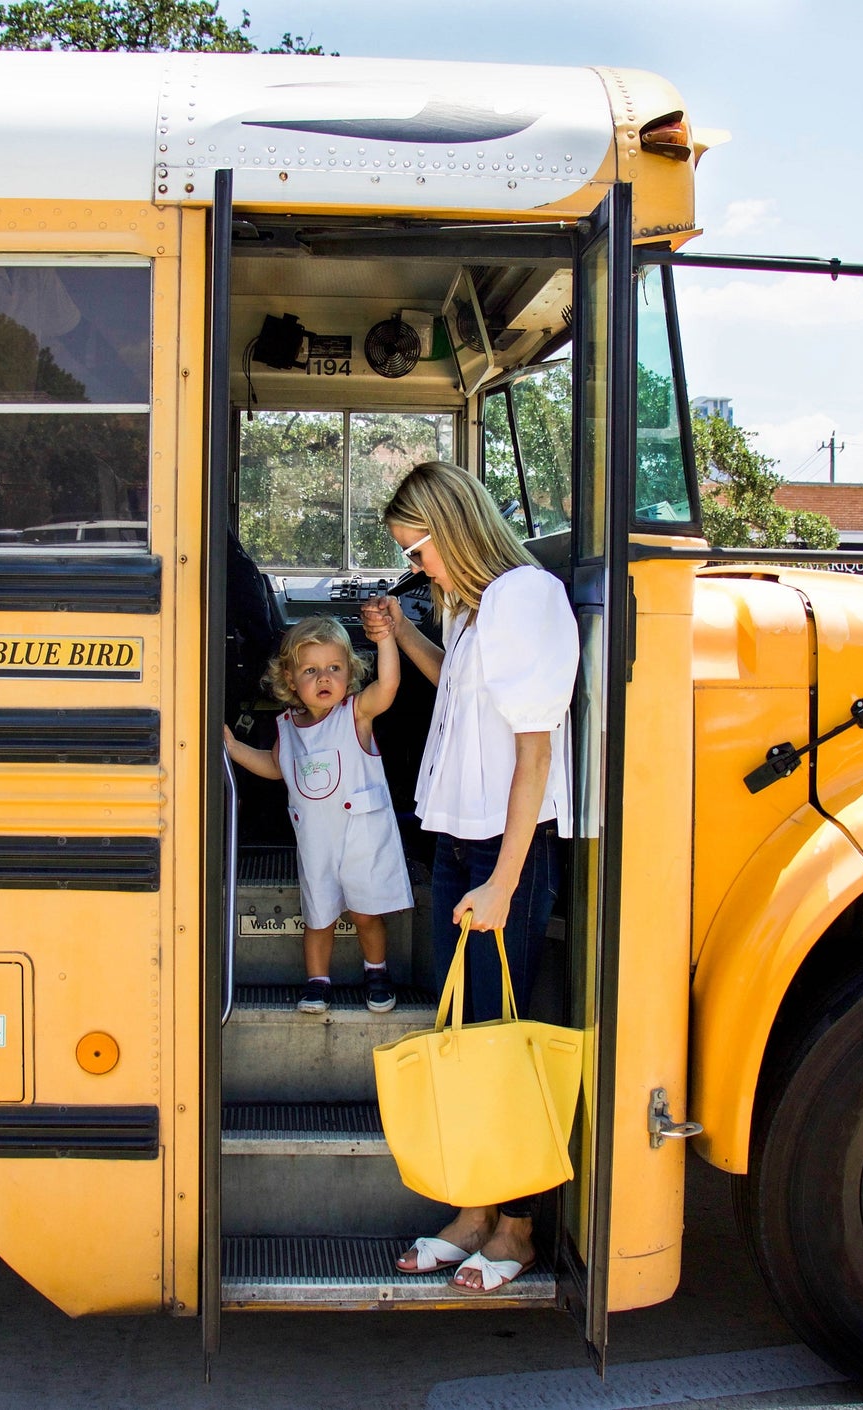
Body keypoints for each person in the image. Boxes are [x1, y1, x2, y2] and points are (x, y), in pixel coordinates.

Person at [363, 460, 577, 1296]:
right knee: (472, 1035)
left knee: (500, 1038)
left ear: (451, 530)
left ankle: (516, 1225)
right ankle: (474, 1212)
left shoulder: (525, 597)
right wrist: (398, 634)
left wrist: (504, 883)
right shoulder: (477, 607)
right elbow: (455, 683)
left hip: (502, 854)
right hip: (464, 844)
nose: (417, 567)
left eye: (418, 551)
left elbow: (535, 751)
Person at [223, 614, 413, 1015]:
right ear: (291, 681)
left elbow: (390, 685)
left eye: (334, 668)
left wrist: (386, 641)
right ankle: (317, 981)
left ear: (349, 674)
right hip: (316, 840)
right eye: (311, 670)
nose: (324, 678)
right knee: (318, 914)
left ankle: (376, 971)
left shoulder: (356, 714)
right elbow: (277, 767)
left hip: (362, 836)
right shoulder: (288, 727)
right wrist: (234, 748)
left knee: (366, 912)